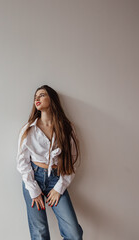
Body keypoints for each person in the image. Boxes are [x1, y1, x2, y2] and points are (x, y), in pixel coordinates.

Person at [16, 85, 84, 240]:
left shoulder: (66, 129)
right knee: (40, 234)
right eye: (35, 97)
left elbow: (71, 161)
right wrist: (33, 189)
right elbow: (22, 163)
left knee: (74, 234)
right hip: (34, 178)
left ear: (52, 99)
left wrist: (59, 188)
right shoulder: (28, 129)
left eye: (42, 95)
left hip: (56, 179)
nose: (37, 99)